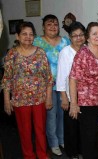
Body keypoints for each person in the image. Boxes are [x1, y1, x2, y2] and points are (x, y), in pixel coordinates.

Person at [2, 21, 53, 159]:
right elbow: (6, 79)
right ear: (17, 36)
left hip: (39, 98)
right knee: (24, 131)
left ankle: (42, 155)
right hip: (20, 100)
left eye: (31, 34)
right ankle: (28, 156)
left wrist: (48, 98)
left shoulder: (40, 53)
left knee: (40, 130)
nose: (28, 37)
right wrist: (7, 100)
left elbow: (48, 78)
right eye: (24, 34)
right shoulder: (11, 54)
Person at [33, 14, 70, 156]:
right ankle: (53, 143)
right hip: (46, 86)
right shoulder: (37, 42)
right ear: (43, 27)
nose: (53, 27)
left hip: (63, 85)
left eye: (55, 24)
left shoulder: (65, 41)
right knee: (51, 115)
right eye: (49, 24)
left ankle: (61, 139)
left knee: (62, 114)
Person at [69, 22, 98, 159]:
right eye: (95, 34)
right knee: (88, 140)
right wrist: (73, 103)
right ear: (88, 37)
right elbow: (73, 78)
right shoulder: (82, 54)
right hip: (86, 104)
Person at [56, 21, 86, 159]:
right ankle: (72, 154)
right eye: (75, 36)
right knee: (71, 127)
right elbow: (61, 76)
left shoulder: (87, 49)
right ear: (70, 37)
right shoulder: (65, 52)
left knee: (83, 127)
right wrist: (64, 98)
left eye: (81, 35)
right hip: (69, 95)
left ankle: (81, 152)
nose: (78, 38)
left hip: (86, 96)